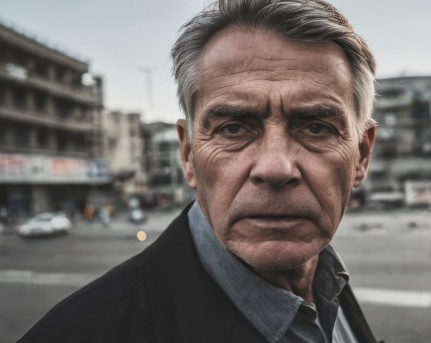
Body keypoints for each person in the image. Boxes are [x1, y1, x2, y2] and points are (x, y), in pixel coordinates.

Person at [19, 0, 379, 342]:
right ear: (188, 154)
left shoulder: (328, 283)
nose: (275, 167)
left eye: (316, 127)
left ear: (361, 156)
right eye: (233, 128)